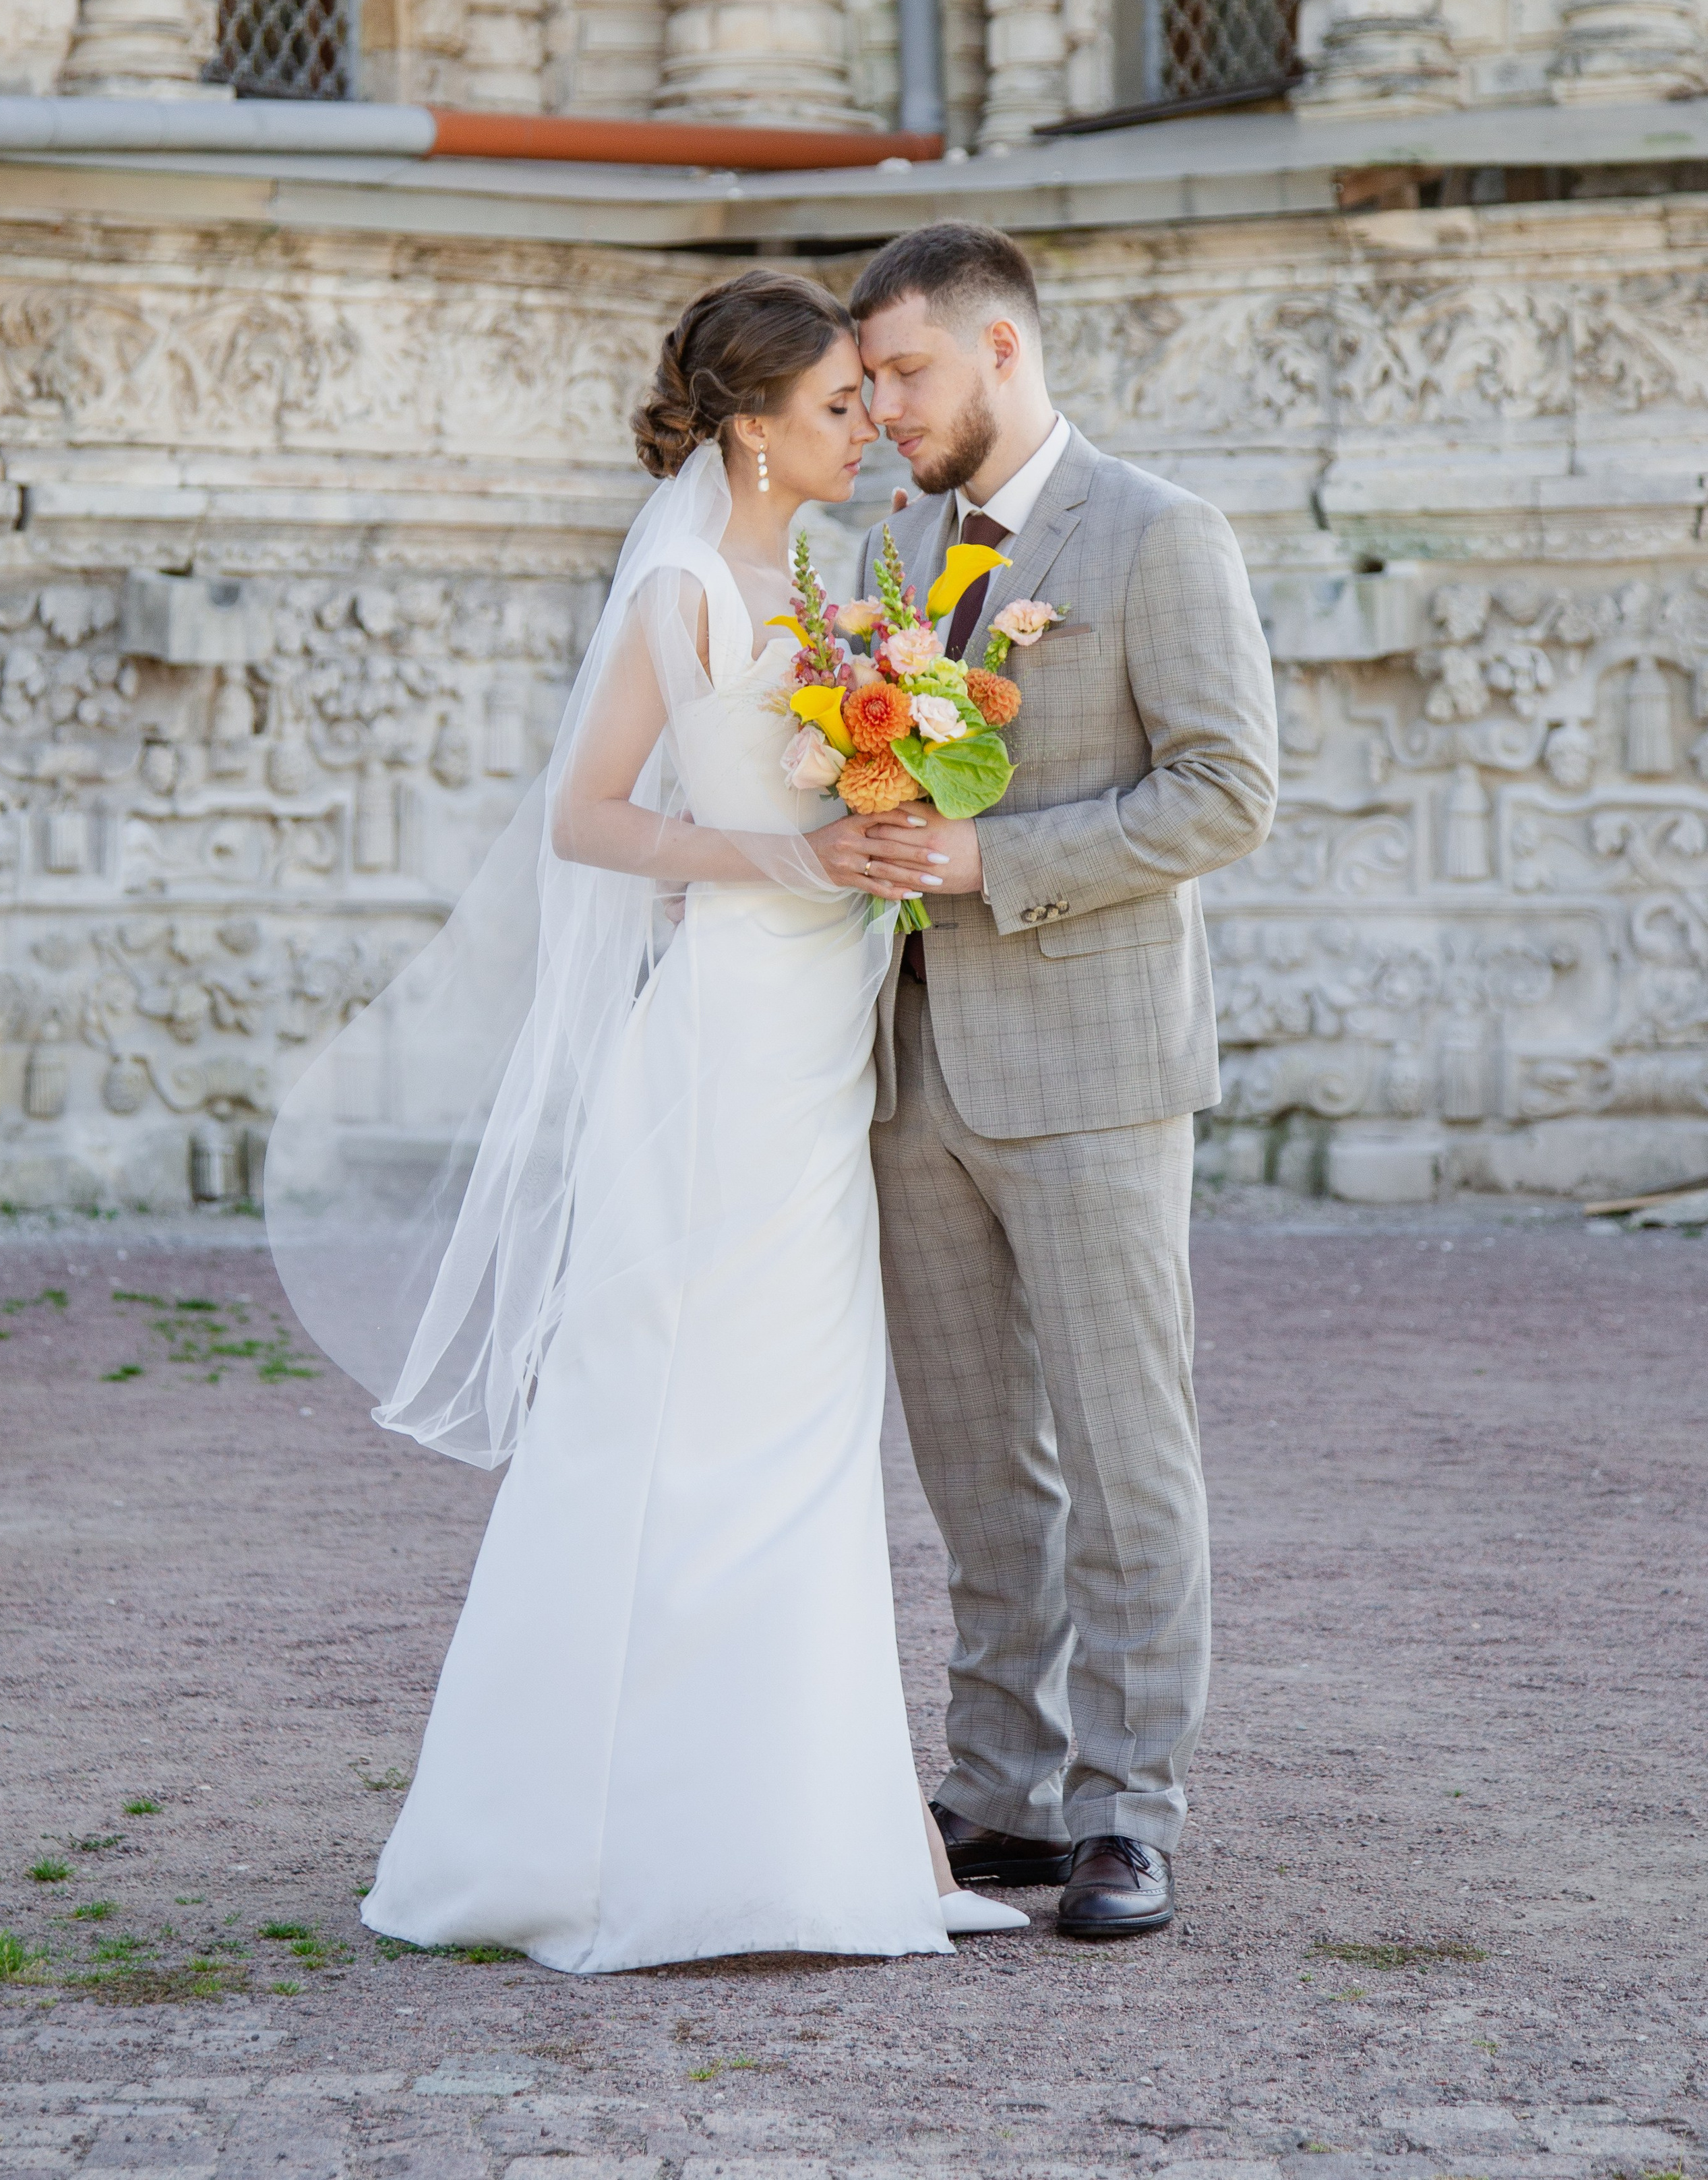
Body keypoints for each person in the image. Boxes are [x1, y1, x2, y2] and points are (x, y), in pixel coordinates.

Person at [264, 269, 1027, 1973]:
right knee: (679, 1413)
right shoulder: (684, 584)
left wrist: (894, 793)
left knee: (810, 1431)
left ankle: (814, 1834)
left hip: (822, 1037)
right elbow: (588, 821)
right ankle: (581, 1840)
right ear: (751, 425)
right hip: (724, 1056)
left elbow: (856, 781)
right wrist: (780, 858)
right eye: (840, 406)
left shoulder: (832, 581)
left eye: (868, 400)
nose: (871, 428)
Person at [816, 222, 1279, 1938]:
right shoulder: (900, 536)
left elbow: (1225, 793)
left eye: (903, 375)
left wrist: (980, 865)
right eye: (863, 383)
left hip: (1089, 1062)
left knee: (1121, 1442)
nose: (879, 408)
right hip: (911, 1066)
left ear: (1000, 353)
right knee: (967, 1453)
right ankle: (996, 1788)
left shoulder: (1160, 535)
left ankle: (1126, 1807)